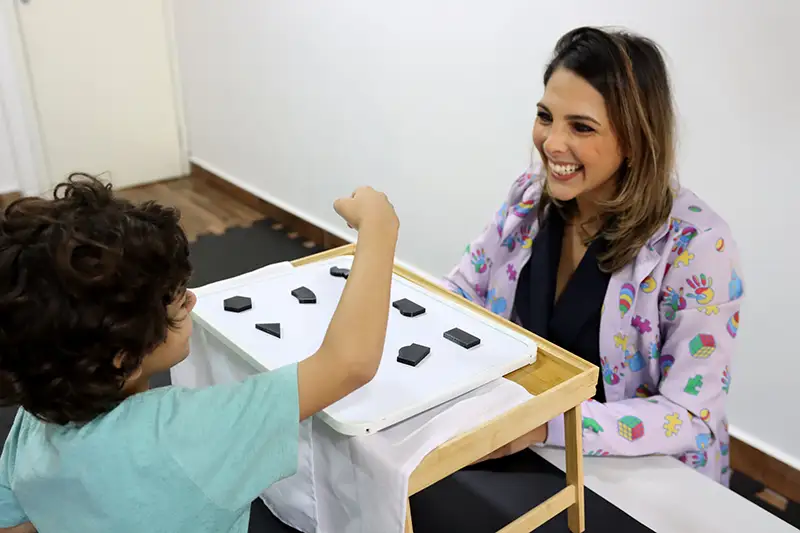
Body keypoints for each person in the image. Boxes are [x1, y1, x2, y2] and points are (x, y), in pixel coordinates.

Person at [0, 174, 399, 532]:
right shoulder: (187, 433)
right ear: (123, 357)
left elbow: (11, 520)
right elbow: (349, 362)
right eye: (176, 301)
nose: (191, 300)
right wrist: (379, 227)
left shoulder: (34, 414)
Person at [444, 26, 743, 485]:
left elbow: (690, 416)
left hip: (637, 477)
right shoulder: (530, 198)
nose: (552, 143)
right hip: (528, 444)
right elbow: (464, 290)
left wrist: (545, 424)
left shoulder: (697, 246)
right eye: (546, 117)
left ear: (634, 139)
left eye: (581, 127)